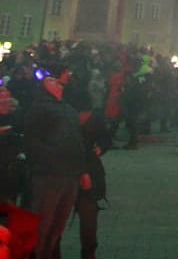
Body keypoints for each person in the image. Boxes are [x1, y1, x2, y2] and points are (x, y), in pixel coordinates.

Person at [23, 65, 88, 259]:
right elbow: (32, 142)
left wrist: (82, 170)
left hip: (70, 175)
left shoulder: (67, 108)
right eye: (50, 80)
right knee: (42, 225)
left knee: (58, 225)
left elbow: (78, 142)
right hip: (49, 176)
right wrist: (52, 160)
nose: (57, 82)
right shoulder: (39, 108)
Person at [65, 85, 111, 259]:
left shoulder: (96, 120)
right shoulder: (65, 121)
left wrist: (100, 148)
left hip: (91, 173)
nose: (84, 118)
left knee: (89, 220)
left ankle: (89, 253)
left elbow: (106, 138)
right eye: (82, 114)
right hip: (66, 175)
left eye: (87, 115)